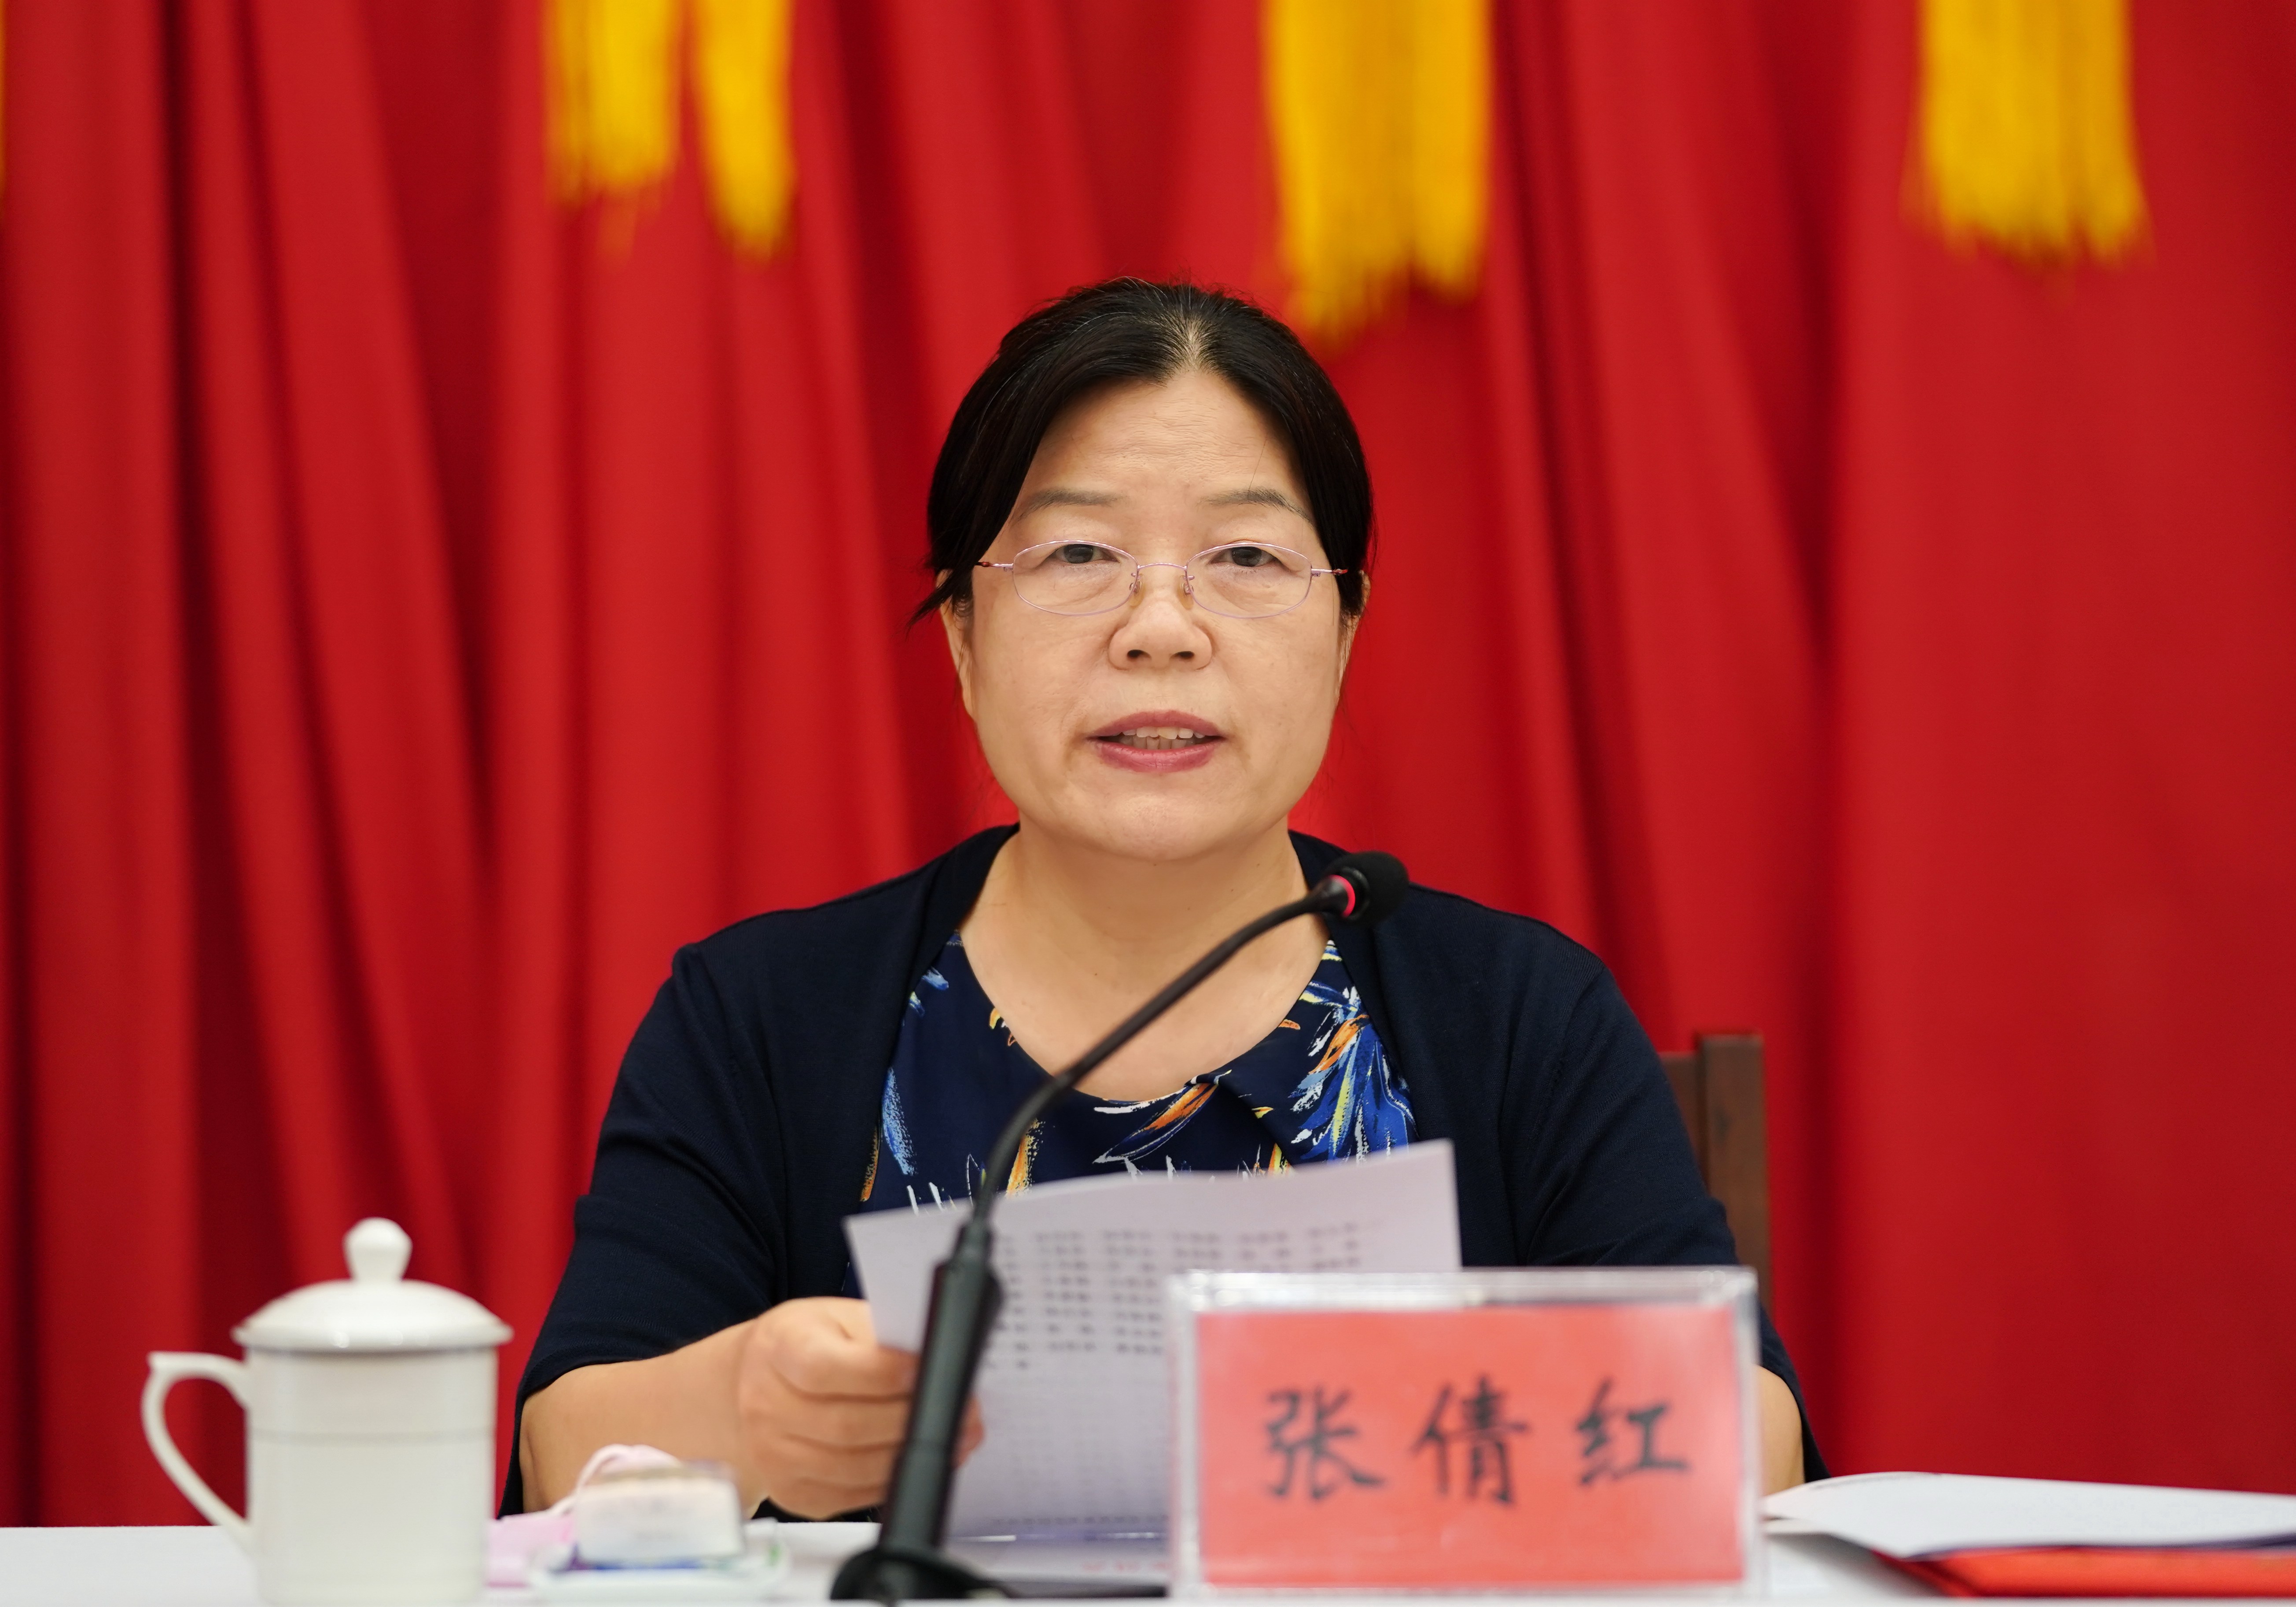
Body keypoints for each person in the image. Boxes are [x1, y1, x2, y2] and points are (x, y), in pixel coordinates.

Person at [510, 280, 1819, 1521]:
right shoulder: (762, 1015)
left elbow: (1748, 1436)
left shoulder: (1522, 1011)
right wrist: (743, 1408)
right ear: (964, 637)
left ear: (1344, 633)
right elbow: (566, 1447)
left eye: (1245, 556)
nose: (1161, 627)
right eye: (1079, 552)